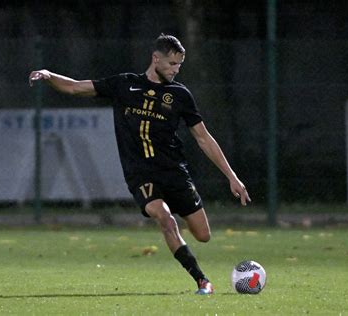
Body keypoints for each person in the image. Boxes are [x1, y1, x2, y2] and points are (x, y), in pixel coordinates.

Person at [29, 34, 251, 295]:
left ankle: (183, 237)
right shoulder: (125, 85)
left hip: (174, 172)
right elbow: (76, 87)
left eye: (179, 65)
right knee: (165, 219)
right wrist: (48, 74)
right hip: (140, 173)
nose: (175, 69)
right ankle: (202, 280)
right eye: (171, 63)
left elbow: (203, 138)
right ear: (155, 58)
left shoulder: (179, 95)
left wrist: (232, 177)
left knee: (203, 235)